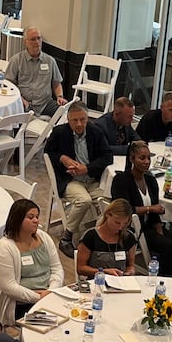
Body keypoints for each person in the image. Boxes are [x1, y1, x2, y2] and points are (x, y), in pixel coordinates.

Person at [112, 140, 172, 277]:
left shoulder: (151, 181)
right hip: (131, 228)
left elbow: (155, 214)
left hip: (148, 225)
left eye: (149, 158)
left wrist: (159, 231)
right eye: (142, 158)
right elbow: (124, 211)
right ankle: (164, 279)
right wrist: (149, 208)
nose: (146, 162)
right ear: (132, 159)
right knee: (171, 247)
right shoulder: (121, 180)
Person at [46, 101, 110, 247]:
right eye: (75, 120)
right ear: (68, 120)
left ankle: (97, 237)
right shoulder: (59, 132)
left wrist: (87, 168)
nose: (79, 124)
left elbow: (107, 156)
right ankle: (66, 237)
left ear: (88, 119)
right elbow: (48, 153)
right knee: (84, 200)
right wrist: (63, 158)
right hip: (70, 180)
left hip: (92, 179)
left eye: (83, 119)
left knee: (111, 203)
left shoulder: (96, 132)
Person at [0, 198, 64, 324]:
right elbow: (9, 287)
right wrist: (39, 298)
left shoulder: (43, 237)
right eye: (30, 217)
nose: (36, 220)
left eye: (37, 216)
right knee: (52, 323)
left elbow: (57, 268)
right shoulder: (4, 248)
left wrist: (51, 291)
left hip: (49, 294)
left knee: (72, 315)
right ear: (18, 220)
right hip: (21, 304)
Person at [3, 26, 64, 117]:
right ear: (25, 42)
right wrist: (21, 100)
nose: (37, 42)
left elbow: (56, 83)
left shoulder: (50, 61)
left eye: (39, 38)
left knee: (65, 114)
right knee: (12, 118)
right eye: (33, 39)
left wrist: (60, 97)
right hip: (23, 103)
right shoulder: (16, 60)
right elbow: (8, 85)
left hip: (45, 103)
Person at [76, 199, 138, 278]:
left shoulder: (128, 237)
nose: (120, 227)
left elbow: (130, 265)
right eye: (117, 222)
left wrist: (130, 272)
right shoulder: (91, 236)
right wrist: (104, 272)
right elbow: (80, 268)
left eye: (125, 223)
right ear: (108, 214)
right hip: (97, 282)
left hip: (120, 282)